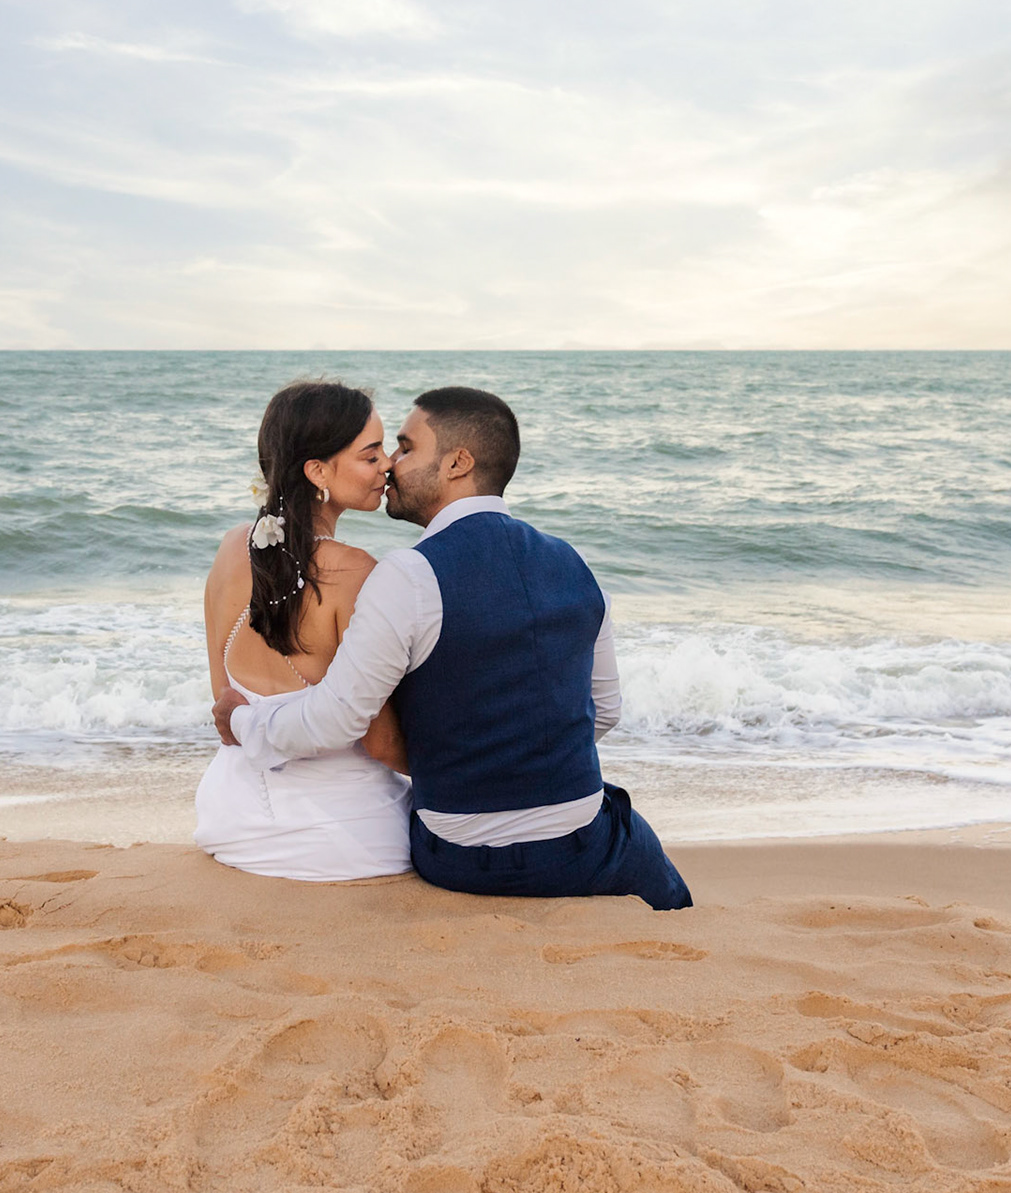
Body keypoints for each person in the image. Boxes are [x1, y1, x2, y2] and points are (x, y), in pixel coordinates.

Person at [214, 387, 691, 910]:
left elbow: (338, 716)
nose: (391, 466)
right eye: (376, 453)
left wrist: (242, 723)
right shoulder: (572, 563)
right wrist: (526, 761)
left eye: (402, 448)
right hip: (574, 845)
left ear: (458, 463)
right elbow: (604, 710)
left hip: (451, 853)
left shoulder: (402, 575)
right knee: (655, 871)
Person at [193, 380, 412, 881]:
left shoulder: (231, 548)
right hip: (345, 837)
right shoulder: (356, 571)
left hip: (230, 819)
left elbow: (225, 706)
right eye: (370, 453)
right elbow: (381, 742)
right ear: (317, 471)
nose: (388, 465)